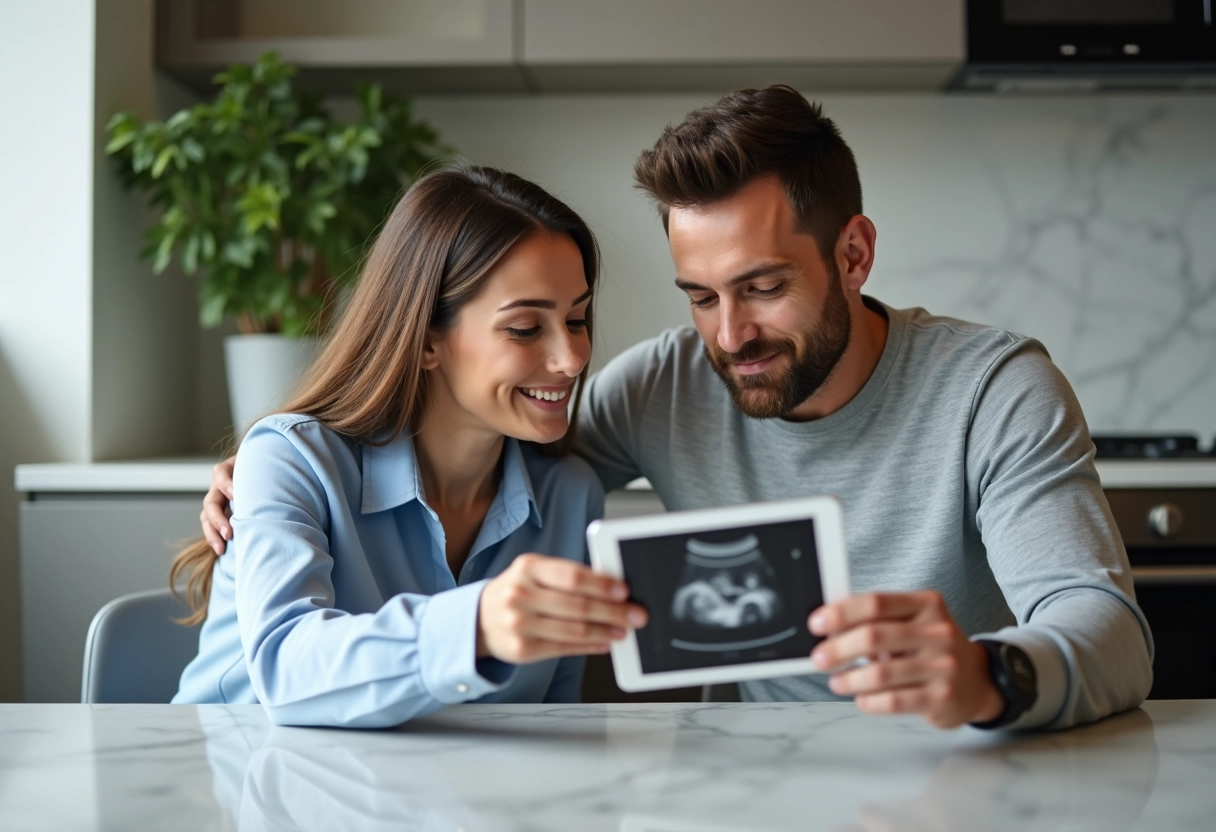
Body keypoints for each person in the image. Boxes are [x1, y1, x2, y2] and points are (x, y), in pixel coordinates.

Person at [201, 87, 1153, 731]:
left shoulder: (995, 388)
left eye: (764, 287)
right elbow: (494, 423)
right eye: (699, 296)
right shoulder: (661, 387)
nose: (729, 335)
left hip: (955, 771)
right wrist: (276, 463)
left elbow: (1102, 624)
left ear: (854, 256)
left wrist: (992, 678)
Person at [172, 165, 648, 728]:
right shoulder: (293, 461)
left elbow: (553, 717)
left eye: (576, 319)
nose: (572, 359)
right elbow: (285, 665)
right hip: (242, 790)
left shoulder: (571, 495)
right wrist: (476, 625)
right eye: (524, 328)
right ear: (425, 339)